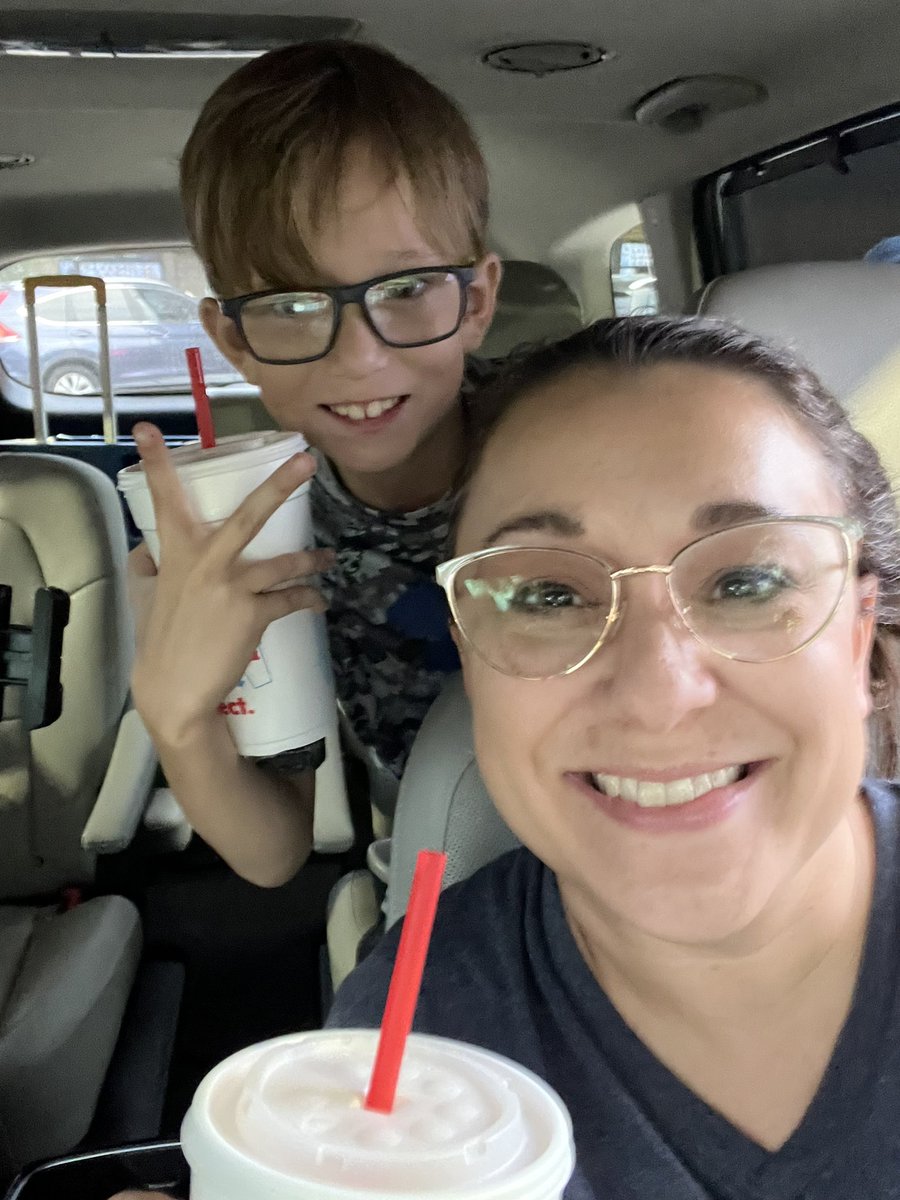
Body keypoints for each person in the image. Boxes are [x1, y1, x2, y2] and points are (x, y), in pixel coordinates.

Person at [328, 316, 900, 1198]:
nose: (656, 695)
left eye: (746, 583)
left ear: (859, 637)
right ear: (470, 654)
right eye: (549, 593)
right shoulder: (410, 1033)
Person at [128, 41, 501, 885]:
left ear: (476, 301)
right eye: (292, 304)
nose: (360, 359)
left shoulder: (574, 433)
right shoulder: (254, 542)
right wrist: (178, 715)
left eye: (405, 291)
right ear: (232, 339)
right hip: (446, 869)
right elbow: (274, 850)